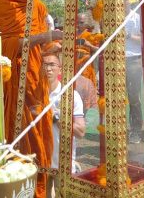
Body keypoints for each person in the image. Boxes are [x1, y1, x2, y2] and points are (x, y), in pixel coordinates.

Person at [0, 0, 62, 198]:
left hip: (35, 85)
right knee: (12, 140)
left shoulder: (39, 6)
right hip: (8, 88)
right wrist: (45, 38)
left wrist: (57, 46)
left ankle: (37, 189)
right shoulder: (1, 0)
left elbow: (40, 49)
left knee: (38, 142)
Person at [42, 52, 85, 197]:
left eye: (52, 65)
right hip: (40, 160)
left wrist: (54, 117)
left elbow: (80, 131)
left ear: (60, 69)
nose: (48, 69)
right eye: (45, 65)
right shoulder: (34, 95)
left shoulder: (70, 96)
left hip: (63, 162)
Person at [124, 1, 144, 144]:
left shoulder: (137, 18)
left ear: (128, 3)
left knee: (134, 97)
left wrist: (128, 35)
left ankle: (136, 130)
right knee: (116, 97)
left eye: (123, 2)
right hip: (116, 60)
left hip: (133, 60)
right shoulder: (113, 18)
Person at [75, 13, 98, 87]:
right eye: (77, 22)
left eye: (81, 22)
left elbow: (98, 50)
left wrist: (89, 45)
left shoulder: (90, 35)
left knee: (86, 87)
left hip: (85, 64)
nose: (79, 25)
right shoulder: (73, 34)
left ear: (86, 23)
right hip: (74, 64)